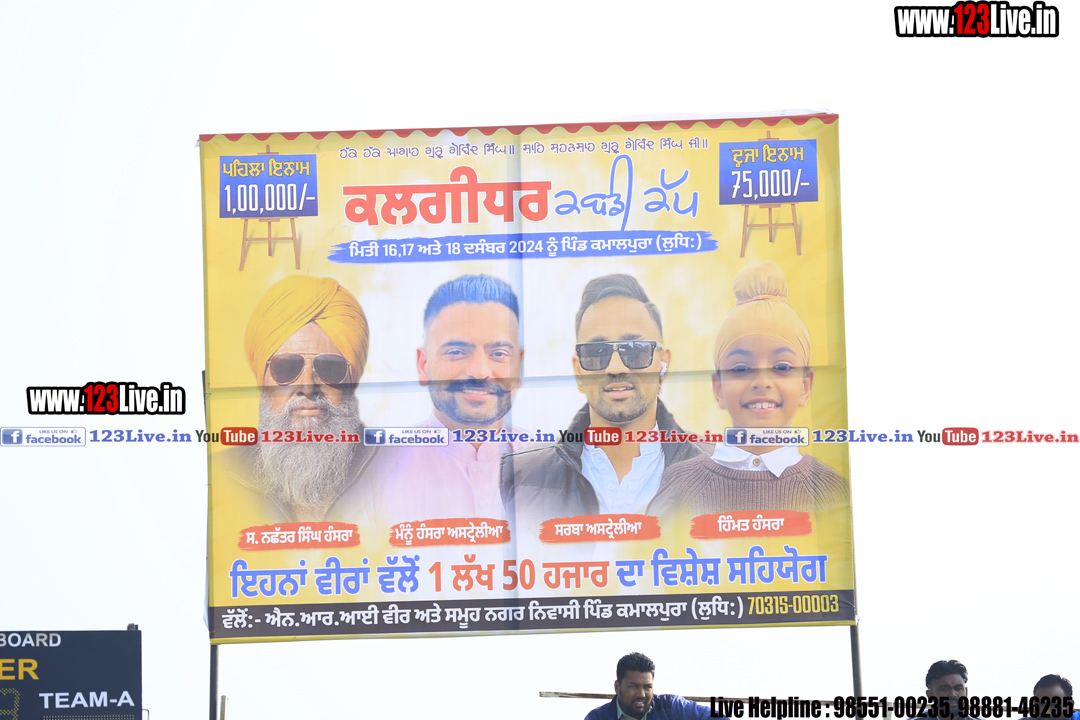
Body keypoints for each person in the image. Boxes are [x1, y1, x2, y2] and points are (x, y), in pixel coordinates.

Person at [648, 262, 848, 520]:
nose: (762, 381)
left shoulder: (830, 491)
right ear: (718, 388)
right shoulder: (680, 487)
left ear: (805, 386)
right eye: (741, 368)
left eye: (782, 367)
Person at [502, 274, 702, 528]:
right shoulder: (519, 478)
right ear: (578, 371)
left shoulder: (721, 473)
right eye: (597, 353)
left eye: (634, 350)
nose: (615, 368)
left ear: (663, 365)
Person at [365, 274, 528, 526]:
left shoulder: (556, 470)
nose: (479, 372)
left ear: (519, 367)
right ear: (423, 365)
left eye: (498, 353)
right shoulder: (374, 476)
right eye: (457, 352)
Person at [216, 275, 376, 523]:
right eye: (287, 367)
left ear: (350, 379)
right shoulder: (220, 475)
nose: (307, 386)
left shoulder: (398, 468)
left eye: (329, 368)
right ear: (263, 379)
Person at [584, 652, 710, 720]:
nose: (641, 694)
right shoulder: (597, 717)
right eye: (634, 686)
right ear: (617, 687)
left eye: (647, 687)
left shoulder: (671, 707)